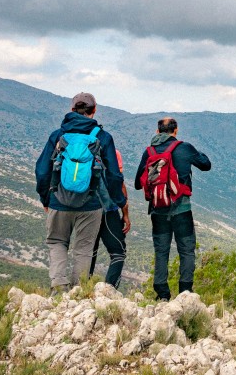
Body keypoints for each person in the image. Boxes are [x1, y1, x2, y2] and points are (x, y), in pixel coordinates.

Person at [35, 92, 126, 294]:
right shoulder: (103, 137)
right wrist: (119, 202)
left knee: (57, 242)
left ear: (71, 110)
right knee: (84, 249)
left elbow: (42, 171)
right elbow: (114, 176)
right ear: (94, 111)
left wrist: (45, 197)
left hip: (59, 202)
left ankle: (59, 287)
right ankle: (78, 292)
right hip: (91, 205)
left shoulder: (58, 135)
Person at [134, 117, 211, 300]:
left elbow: (138, 183)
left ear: (157, 130)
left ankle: (162, 294)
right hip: (181, 209)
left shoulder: (149, 151)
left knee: (161, 250)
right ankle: (185, 293)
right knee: (186, 250)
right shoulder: (184, 148)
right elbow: (206, 165)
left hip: (157, 209)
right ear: (175, 131)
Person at [88, 149, 131, 289]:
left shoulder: (83, 151)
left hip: (86, 209)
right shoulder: (113, 153)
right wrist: (125, 213)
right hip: (108, 209)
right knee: (118, 252)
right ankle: (108, 290)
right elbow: (119, 182)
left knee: (88, 251)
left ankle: (81, 288)